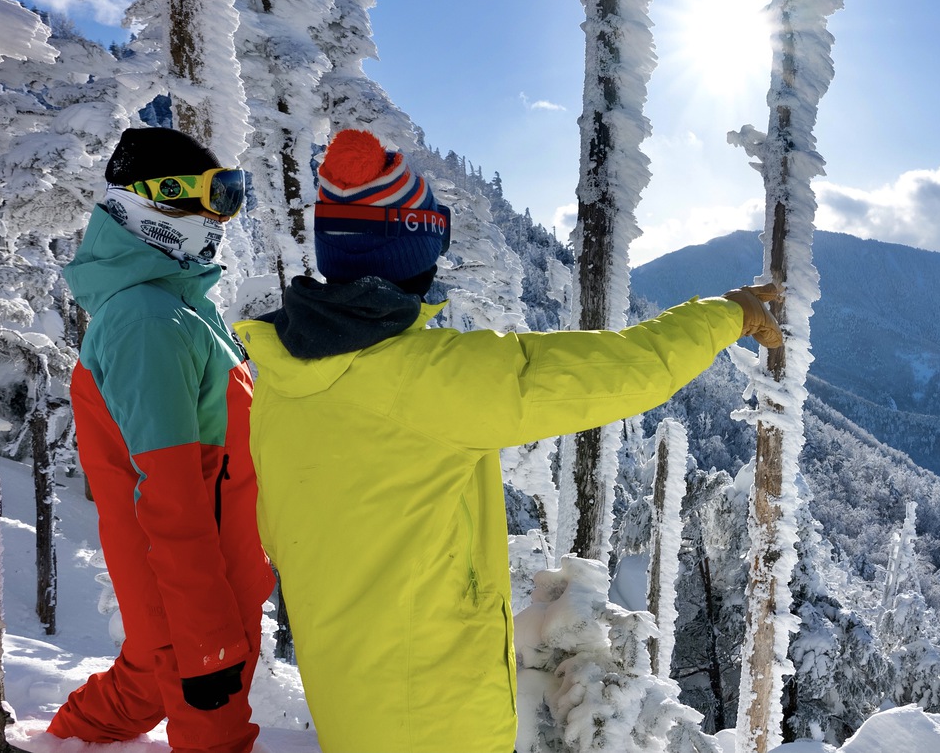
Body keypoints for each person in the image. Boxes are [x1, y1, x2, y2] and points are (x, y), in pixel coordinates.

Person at [232, 128, 782, 752]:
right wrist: (728, 311)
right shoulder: (428, 377)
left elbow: (278, 530)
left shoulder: (281, 374)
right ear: (411, 250)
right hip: (434, 709)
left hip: (347, 692)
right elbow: (630, 369)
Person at [52, 127, 275, 753]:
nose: (220, 217)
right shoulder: (148, 322)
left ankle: (58, 744)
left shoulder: (176, 306)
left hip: (210, 579)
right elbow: (171, 499)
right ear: (155, 202)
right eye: (212, 197)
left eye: (230, 196)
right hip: (198, 592)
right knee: (210, 725)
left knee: (148, 684)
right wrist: (207, 633)